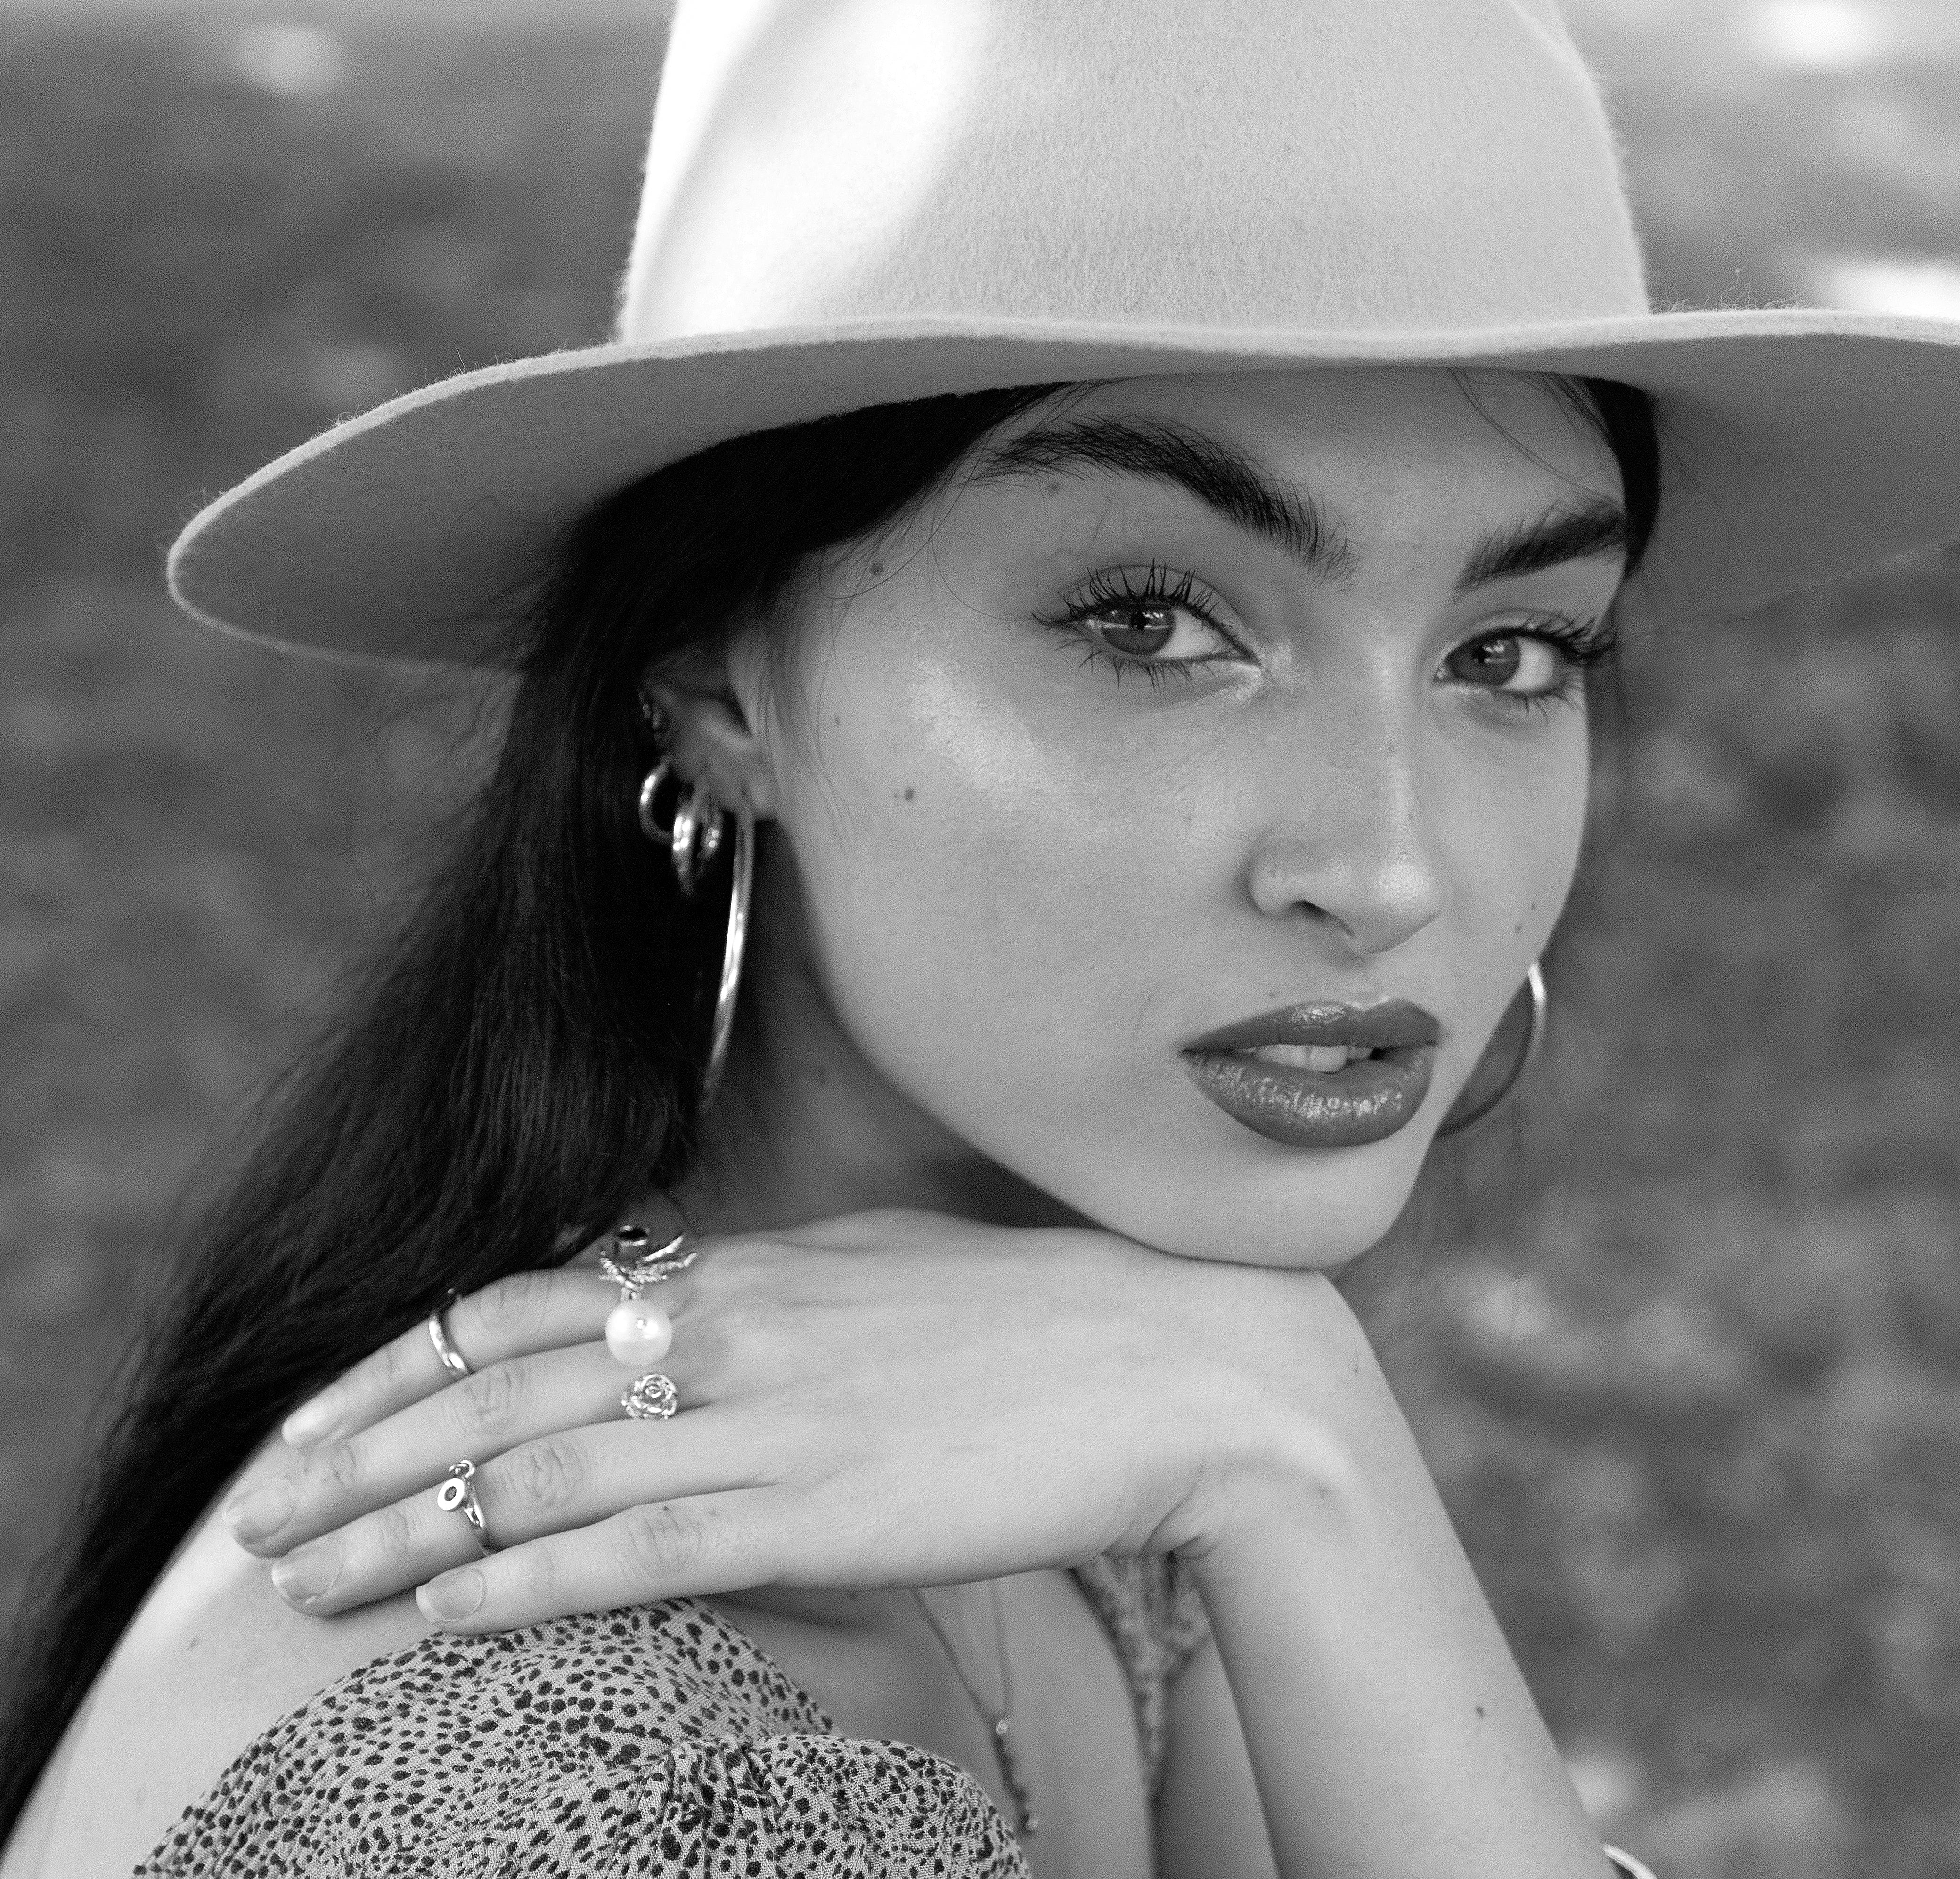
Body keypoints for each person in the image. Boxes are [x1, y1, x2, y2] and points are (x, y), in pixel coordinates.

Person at [5, 0, 1959, 1873]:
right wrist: (1292, 1444)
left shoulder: (1059, 1391)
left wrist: (1289, 1441)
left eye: (1510, 650)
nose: (1386, 868)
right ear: (716, 684)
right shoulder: (615, 1800)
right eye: (1150, 624)